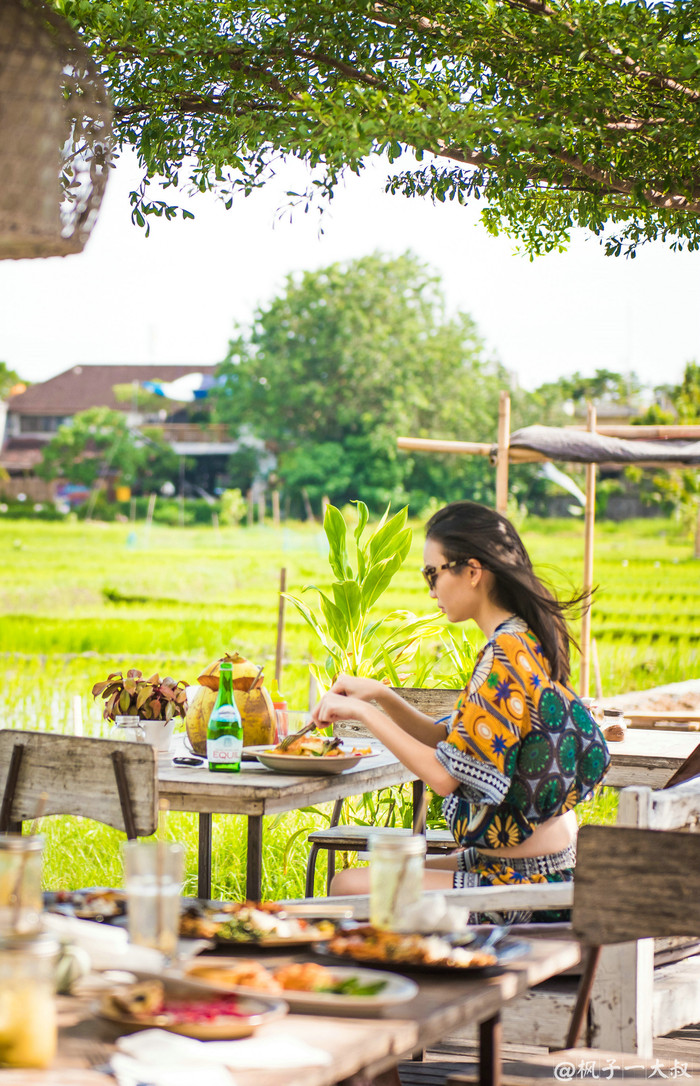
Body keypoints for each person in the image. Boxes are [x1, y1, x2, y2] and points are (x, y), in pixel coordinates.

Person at [311, 500, 610, 922]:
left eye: (433, 573)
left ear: (472, 571)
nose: (430, 590)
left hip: (525, 889)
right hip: (540, 869)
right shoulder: (519, 638)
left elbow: (443, 775)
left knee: (349, 888)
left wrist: (366, 715)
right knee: (362, 881)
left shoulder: (503, 654)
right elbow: (451, 743)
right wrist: (381, 695)